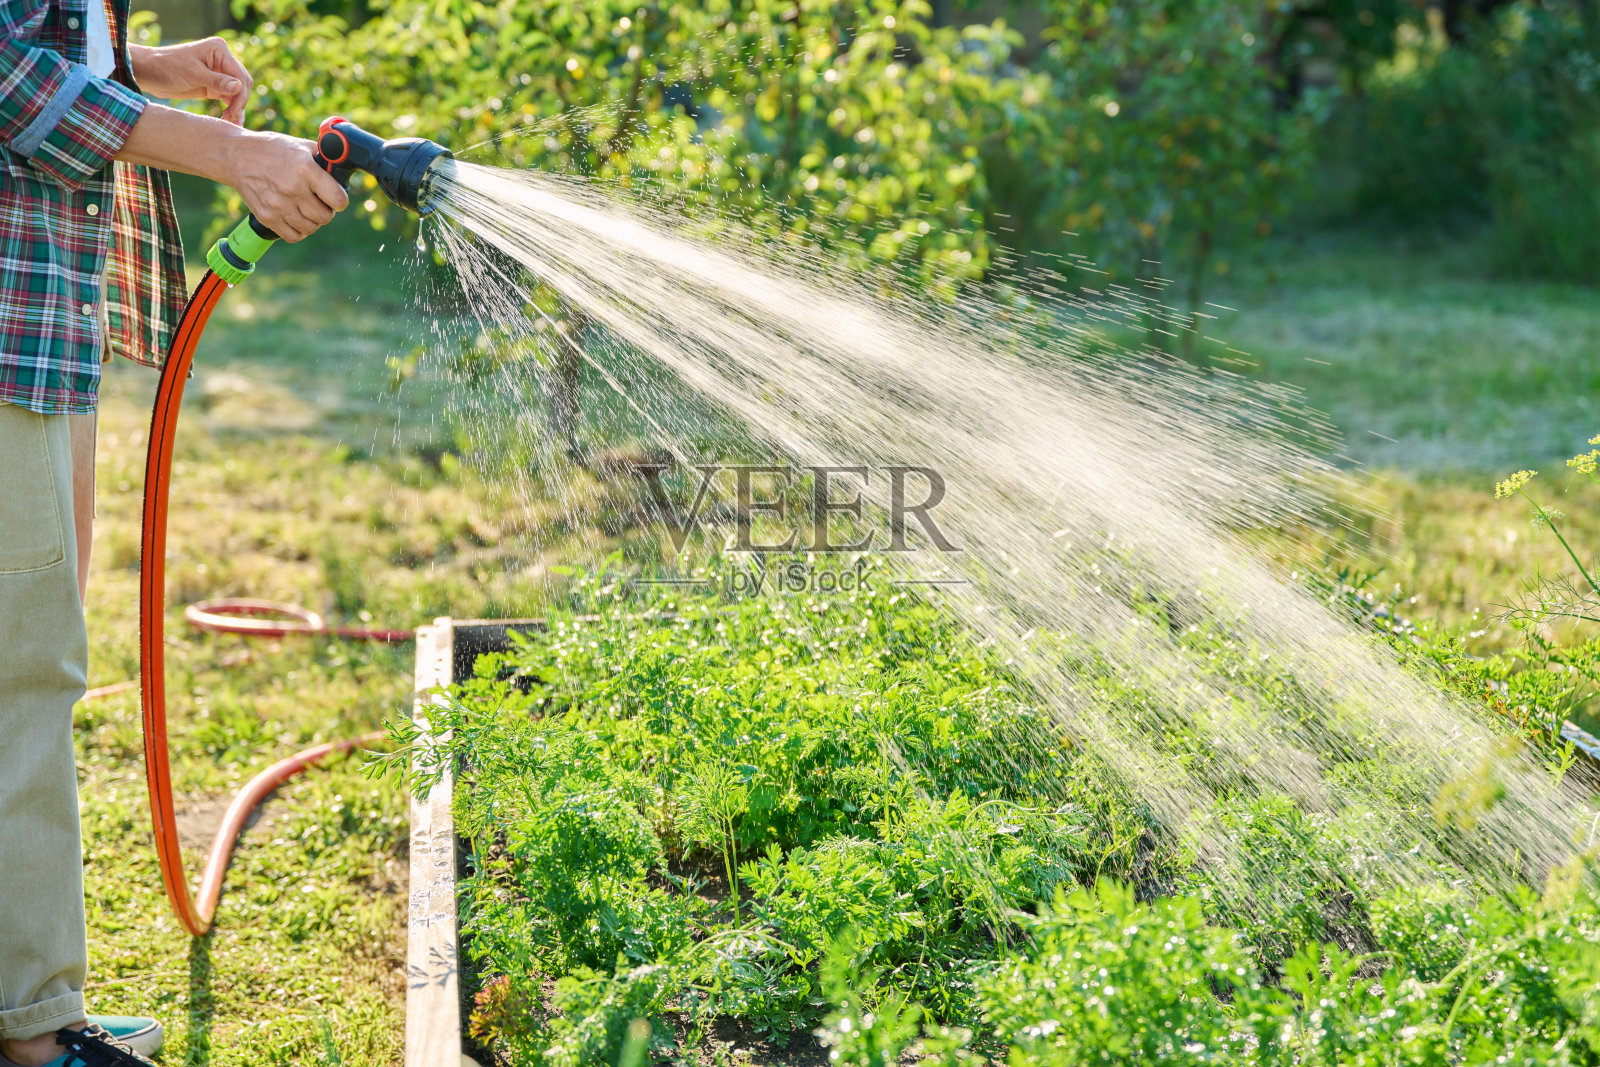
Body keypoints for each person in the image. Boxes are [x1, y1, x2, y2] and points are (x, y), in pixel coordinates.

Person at [0, 0, 348, 1061]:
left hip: (43, 324)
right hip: (11, 329)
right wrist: (232, 153)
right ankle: (32, 1027)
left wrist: (135, 64)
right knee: (19, 677)